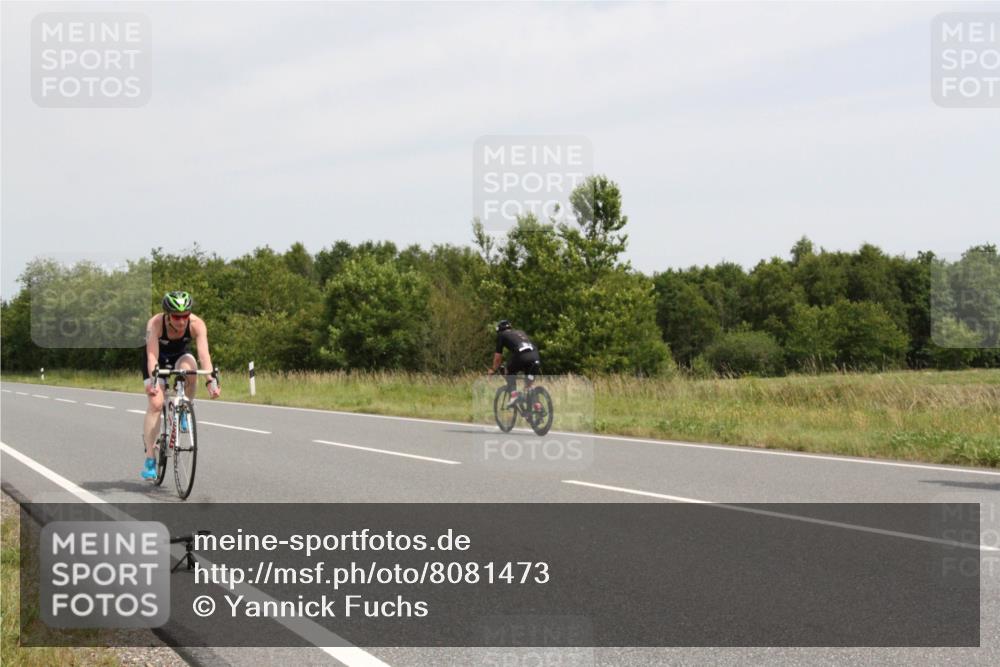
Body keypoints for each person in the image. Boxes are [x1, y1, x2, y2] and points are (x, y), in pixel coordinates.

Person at [140, 291, 220, 480]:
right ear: (168, 314)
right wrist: (154, 382)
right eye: (177, 317)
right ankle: (150, 459)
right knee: (156, 403)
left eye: (185, 316)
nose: (182, 321)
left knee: (191, 371)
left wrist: (211, 381)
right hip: (156, 358)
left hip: (180, 355)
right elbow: (152, 356)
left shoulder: (197, 324)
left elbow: (204, 355)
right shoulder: (155, 324)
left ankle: (184, 407)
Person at [490, 320, 541, 407]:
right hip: (535, 357)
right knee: (528, 385)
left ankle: (514, 395)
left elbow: (498, 358)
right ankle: (536, 405)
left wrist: (493, 369)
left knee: (509, 372)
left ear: (499, 330)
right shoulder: (520, 332)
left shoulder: (502, 335)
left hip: (522, 356)